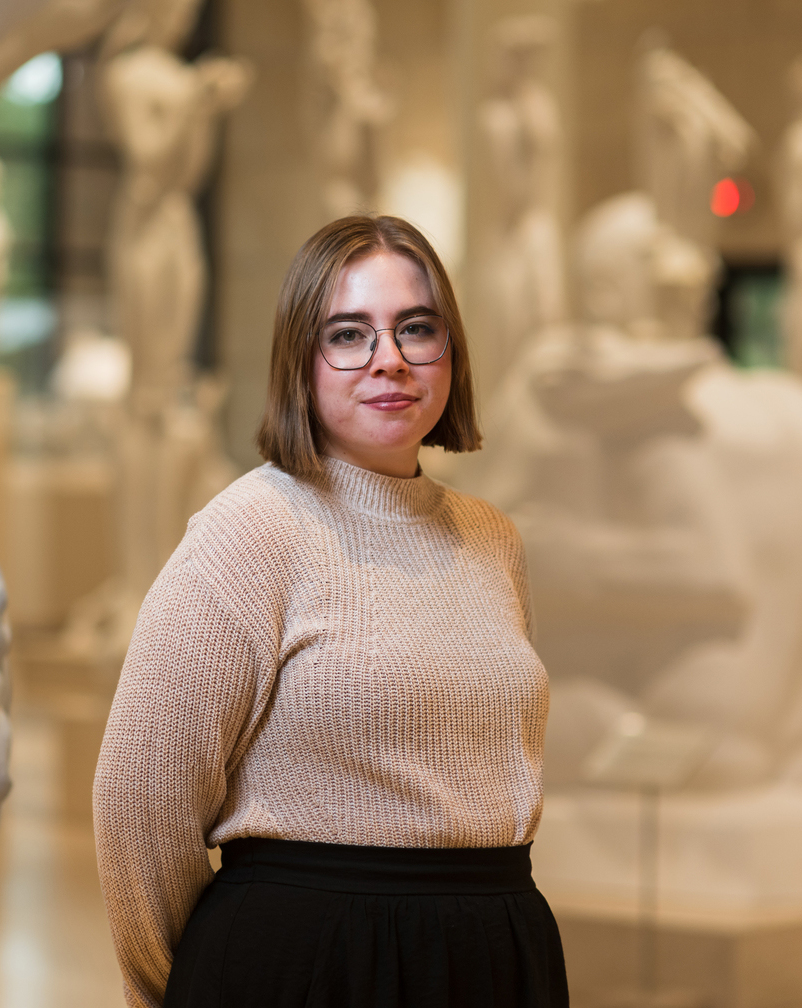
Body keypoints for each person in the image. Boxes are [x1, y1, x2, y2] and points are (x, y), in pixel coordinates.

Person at [92, 214, 566, 1008]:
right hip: (305, 965)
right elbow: (140, 802)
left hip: (492, 954)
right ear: (300, 362)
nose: (390, 358)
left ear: (451, 351)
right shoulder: (249, 531)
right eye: (348, 334)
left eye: (417, 328)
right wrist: (189, 990)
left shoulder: (493, 539)